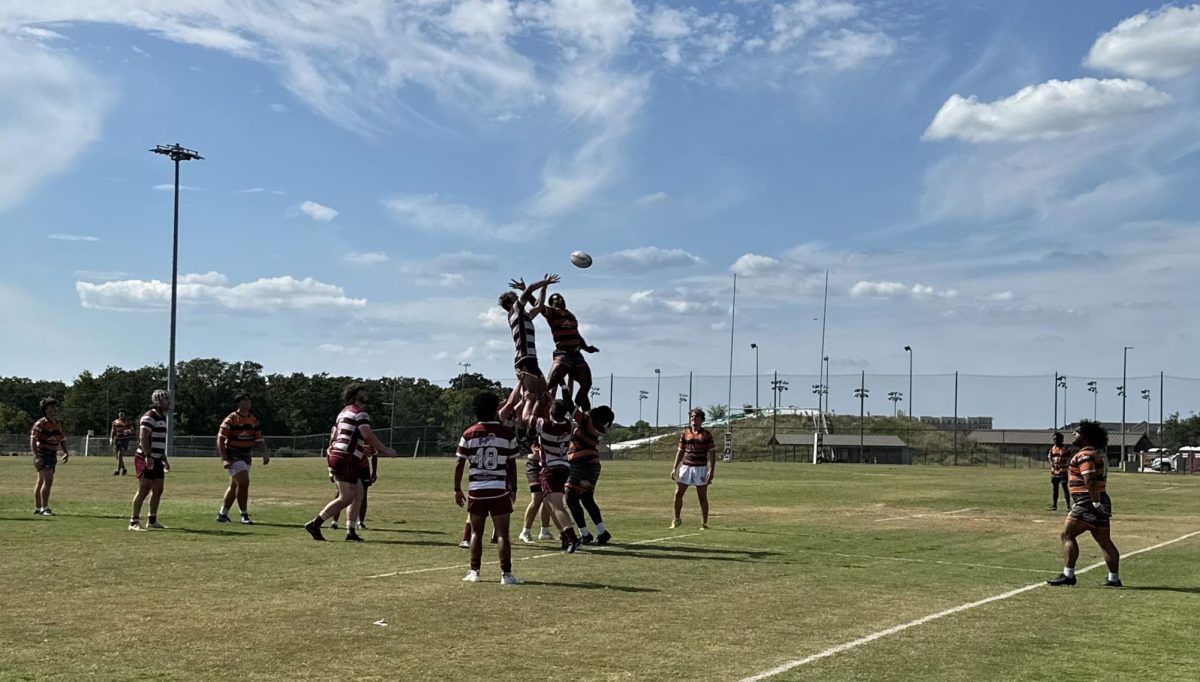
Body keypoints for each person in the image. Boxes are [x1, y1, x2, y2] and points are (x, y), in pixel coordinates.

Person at [303, 383, 396, 542]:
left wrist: (362, 448)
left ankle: (351, 531)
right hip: (346, 456)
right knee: (346, 497)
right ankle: (315, 523)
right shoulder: (360, 413)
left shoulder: (343, 412)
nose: (366, 393)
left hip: (341, 454)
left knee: (358, 493)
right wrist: (385, 449)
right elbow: (367, 434)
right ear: (354, 395)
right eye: (362, 391)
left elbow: (346, 436)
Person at [454, 391, 522, 584]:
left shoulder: (469, 433)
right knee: (503, 535)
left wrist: (457, 488)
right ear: (495, 410)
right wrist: (514, 488)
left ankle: (474, 571)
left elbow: (459, 463)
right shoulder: (507, 433)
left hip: (477, 489)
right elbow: (512, 464)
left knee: (476, 533)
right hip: (499, 488)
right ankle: (506, 575)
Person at [1048, 420, 1122, 587]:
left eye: (1076, 432)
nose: (1073, 435)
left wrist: (1095, 503)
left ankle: (1068, 575)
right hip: (1100, 499)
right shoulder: (1096, 454)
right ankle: (1114, 578)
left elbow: (1089, 479)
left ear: (1085, 436)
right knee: (1104, 541)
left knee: (1067, 535)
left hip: (1087, 501)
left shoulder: (1084, 455)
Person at [497, 273, 559, 426]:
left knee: (544, 395)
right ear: (511, 303)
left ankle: (528, 422)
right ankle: (522, 421)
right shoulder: (515, 311)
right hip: (524, 359)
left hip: (531, 359)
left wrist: (544, 287)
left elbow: (538, 306)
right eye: (516, 298)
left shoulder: (524, 316)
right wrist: (547, 281)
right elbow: (530, 288)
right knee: (531, 395)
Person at [535, 291, 600, 411]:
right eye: (557, 299)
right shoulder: (552, 313)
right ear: (552, 304)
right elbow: (537, 305)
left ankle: (577, 410)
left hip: (576, 354)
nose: (561, 300)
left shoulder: (571, 316)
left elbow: (577, 335)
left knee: (586, 383)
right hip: (563, 353)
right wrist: (527, 291)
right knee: (550, 384)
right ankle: (534, 412)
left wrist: (586, 348)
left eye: (562, 298)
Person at [216, 393, 271, 524]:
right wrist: (224, 458)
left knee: (235, 485)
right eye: (245, 400)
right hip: (233, 455)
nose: (248, 403)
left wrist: (265, 452)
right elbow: (220, 439)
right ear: (238, 404)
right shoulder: (231, 419)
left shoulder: (253, 420)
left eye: (249, 400)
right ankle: (244, 515)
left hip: (246, 455)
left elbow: (259, 439)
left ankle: (222, 514)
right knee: (244, 482)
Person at [565, 405, 615, 546]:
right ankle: (601, 532)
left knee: (571, 497)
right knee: (586, 498)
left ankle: (585, 534)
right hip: (591, 464)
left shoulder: (586, 421)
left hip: (581, 463)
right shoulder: (597, 426)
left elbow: (570, 405)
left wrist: (563, 385)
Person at [536, 400, 582, 552]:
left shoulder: (545, 425)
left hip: (550, 469)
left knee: (556, 505)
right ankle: (564, 535)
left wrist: (533, 400)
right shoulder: (568, 425)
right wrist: (563, 384)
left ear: (551, 412)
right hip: (563, 467)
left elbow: (525, 416)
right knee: (548, 504)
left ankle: (572, 537)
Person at [129, 390, 171, 530]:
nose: (169, 402)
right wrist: (148, 456)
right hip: (146, 457)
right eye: (166, 399)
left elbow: (159, 439)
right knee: (144, 488)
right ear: (159, 401)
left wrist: (163, 457)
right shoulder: (149, 416)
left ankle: (152, 520)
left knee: (158, 489)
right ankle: (134, 522)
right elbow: (143, 437)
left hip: (157, 458)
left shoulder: (162, 417)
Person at [670, 408, 716, 529]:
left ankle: (704, 523)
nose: (693, 419)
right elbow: (680, 451)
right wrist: (675, 468)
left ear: (701, 419)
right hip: (686, 467)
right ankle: (676, 519)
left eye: (696, 417)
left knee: (702, 497)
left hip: (700, 468)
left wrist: (711, 470)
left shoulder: (706, 434)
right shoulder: (685, 433)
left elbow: (712, 453)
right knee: (678, 493)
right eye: (691, 417)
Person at [31, 398, 70, 516]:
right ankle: (45, 508)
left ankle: (38, 507)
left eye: (55, 406)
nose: (55, 409)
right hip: (42, 454)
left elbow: (62, 439)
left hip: (52, 455)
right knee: (48, 481)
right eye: (51, 407)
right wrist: (37, 456)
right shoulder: (40, 424)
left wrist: (66, 452)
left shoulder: (58, 424)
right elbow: (33, 440)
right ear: (45, 409)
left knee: (41, 481)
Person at [518, 443, 558, 544]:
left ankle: (544, 531)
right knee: (537, 497)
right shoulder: (540, 429)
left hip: (548, 465)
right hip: (535, 464)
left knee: (547, 496)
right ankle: (525, 532)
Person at [1047, 431, 1070, 511]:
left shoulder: (1065, 449)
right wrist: (1052, 464)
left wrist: (1065, 465)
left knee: (1065, 488)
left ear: (1061, 440)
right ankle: (1054, 505)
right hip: (1054, 473)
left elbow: (1069, 458)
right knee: (1055, 489)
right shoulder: (1052, 449)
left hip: (1063, 472)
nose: (1055, 441)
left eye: (1057, 439)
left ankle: (1068, 506)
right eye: (1054, 439)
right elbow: (1049, 457)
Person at [110, 410, 132, 476]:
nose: (121, 415)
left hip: (124, 440)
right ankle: (124, 469)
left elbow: (132, 430)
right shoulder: (115, 422)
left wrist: (128, 431)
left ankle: (118, 470)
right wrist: (111, 438)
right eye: (120, 413)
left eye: (122, 414)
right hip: (117, 439)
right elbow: (113, 430)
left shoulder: (128, 422)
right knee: (117, 456)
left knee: (120, 454)